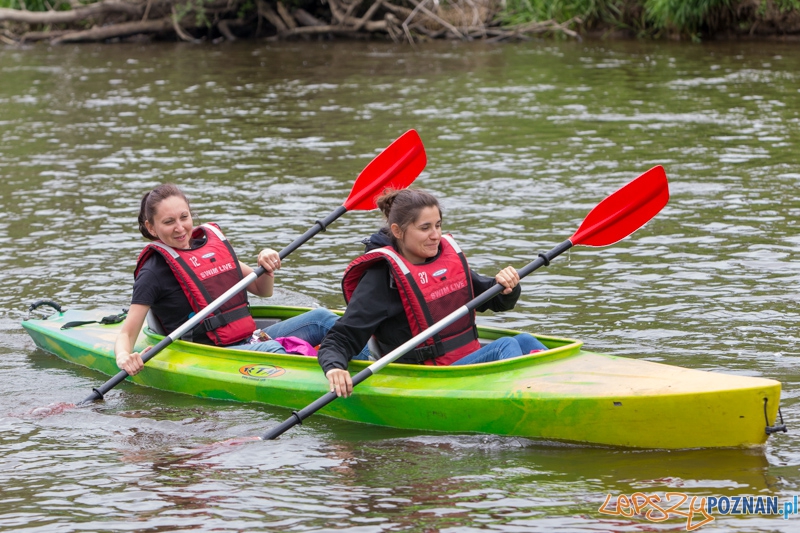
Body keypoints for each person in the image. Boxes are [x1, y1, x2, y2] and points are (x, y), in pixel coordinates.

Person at [318, 188, 548, 397]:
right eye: (425, 228)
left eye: (438, 225)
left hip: (463, 361)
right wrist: (335, 367)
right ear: (398, 231)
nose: (435, 235)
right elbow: (341, 338)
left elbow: (495, 300)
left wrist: (508, 286)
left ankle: (566, 386)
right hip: (427, 378)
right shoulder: (381, 279)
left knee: (525, 340)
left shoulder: (444, 260)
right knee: (505, 346)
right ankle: (528, 401)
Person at [114, 183, 350, 376]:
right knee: (275, 351)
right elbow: (127, 334)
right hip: (212, 354)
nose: (180, 228)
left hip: (249, 339)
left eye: (184, 217)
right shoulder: (153, 272)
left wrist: (265, 265)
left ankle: (356, 370)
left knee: (324, 319)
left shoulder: (208, 249)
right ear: (151, 227)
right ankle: (332, 378)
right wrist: (125, 357)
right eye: (168, 222)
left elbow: (261, 289)